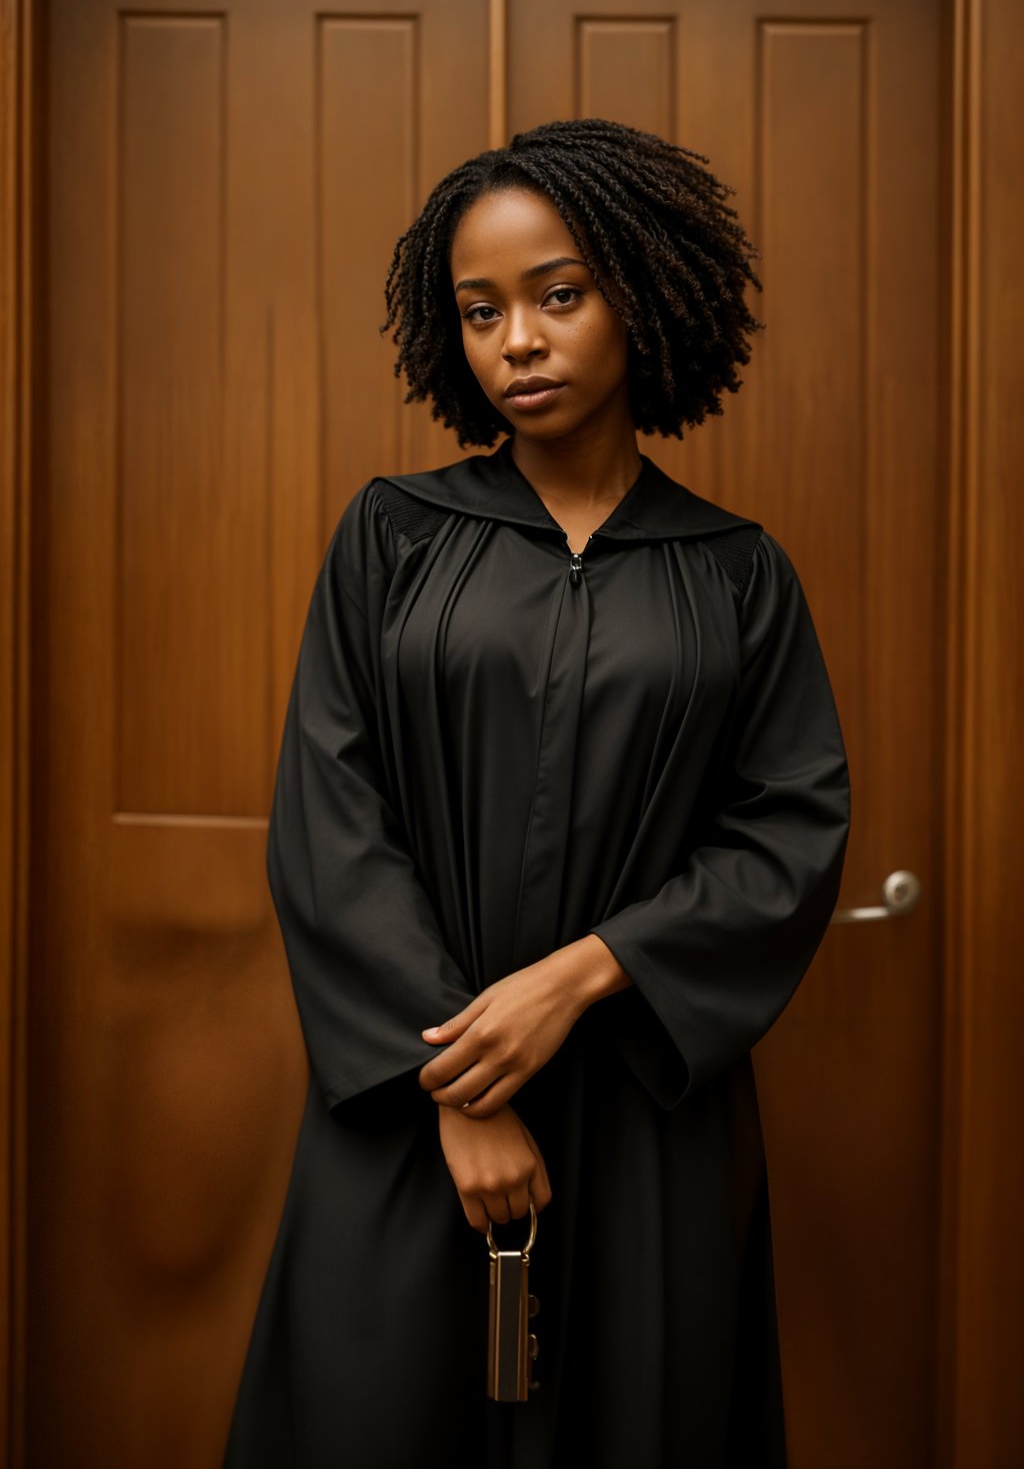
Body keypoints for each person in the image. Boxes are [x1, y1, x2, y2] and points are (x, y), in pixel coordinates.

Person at [222, 118, 850, 1469]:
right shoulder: (393, 536)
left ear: (642, 291)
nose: (518, 339)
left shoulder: (739, 575)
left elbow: (788, 833)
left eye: (558, 295)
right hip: (411, 1102)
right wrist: (461, 1086)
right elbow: (330, 819)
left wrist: (581, 976)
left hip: (642, 1113)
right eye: (481, 310)